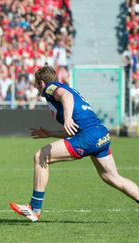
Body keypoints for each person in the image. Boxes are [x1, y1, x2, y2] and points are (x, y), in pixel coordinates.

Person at [10, 66, 139, 222]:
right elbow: (72, 131)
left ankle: (34, 208)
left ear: (42, 83)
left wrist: (68, 117)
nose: (37, 88)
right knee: (112, 177)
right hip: (101, 134)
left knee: (41, 156)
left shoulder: (52, 88)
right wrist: (50, 133)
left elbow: (66, 96)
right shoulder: (62, 89)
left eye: (37, 84)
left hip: (89, 137)